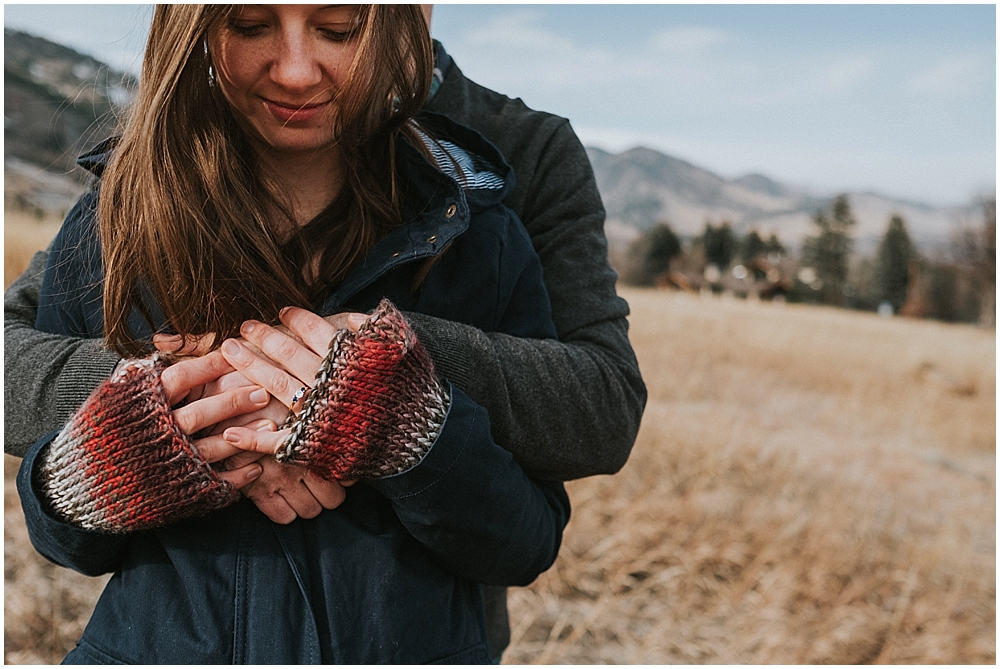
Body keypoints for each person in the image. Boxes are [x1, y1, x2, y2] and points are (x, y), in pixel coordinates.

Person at [4, 4, 647, 660]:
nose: (294, 71)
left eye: (340, 29)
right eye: (251, 24)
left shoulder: (492, 209)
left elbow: (544, 508)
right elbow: (59, 519)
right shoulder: (130, 208)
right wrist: (202, 398)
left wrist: (387, 387)